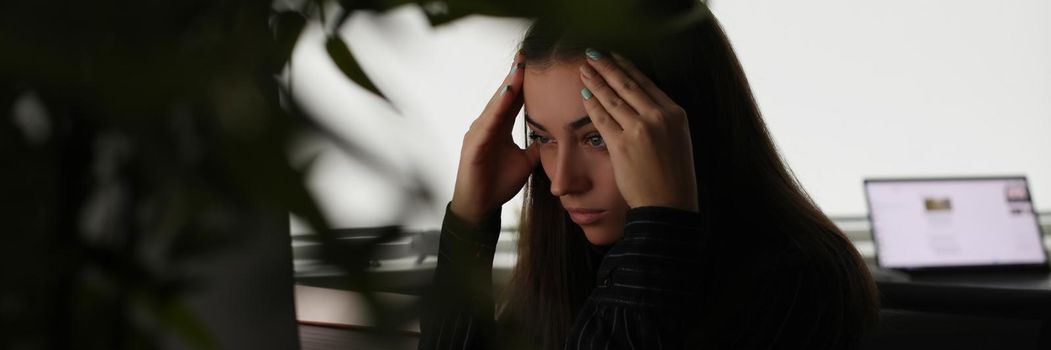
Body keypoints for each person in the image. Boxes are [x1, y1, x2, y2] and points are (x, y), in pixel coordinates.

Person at [418, 1, 879, 349]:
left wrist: (660, 229)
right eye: (543, 137)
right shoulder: (571, 250)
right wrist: (469, 223)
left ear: (687, 127)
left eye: (598, 137)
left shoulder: (802, 279)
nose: (561, 182)